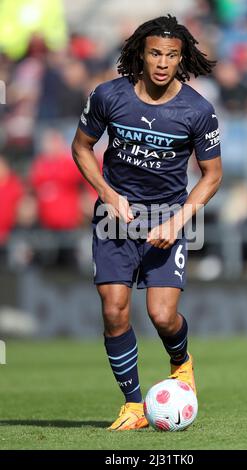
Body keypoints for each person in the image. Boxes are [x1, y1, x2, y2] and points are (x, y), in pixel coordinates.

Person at [71, 14, 222, 431]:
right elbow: (82, 148)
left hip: (167, 220)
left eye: (171, 56)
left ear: (181, 59)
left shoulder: (197, 109)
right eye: (155, 52)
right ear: (141, 52)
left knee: (161, 315)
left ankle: (181, 361)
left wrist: (178, 221)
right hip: (114, 216)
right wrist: (106, 192)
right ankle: (134, 405)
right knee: (115, 309)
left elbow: (212, 174)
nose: (161, 62)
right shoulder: (108, 96)